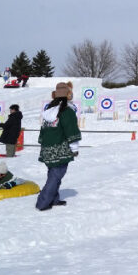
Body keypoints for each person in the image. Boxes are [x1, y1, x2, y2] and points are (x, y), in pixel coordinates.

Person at [35, 82, 82, 211]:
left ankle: (54, 199)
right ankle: (43, 202)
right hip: (60, 150)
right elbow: (71, 130)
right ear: (68, 94)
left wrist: (44, 145)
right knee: (55, 177)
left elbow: (43, 131)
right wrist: (74, 148)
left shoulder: (49, 111)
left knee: (53, 175)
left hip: (47, 149)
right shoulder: (67, 111)